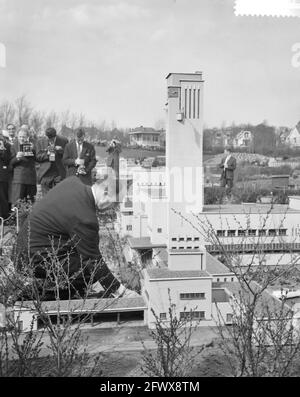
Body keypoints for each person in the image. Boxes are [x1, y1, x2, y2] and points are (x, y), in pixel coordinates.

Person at [15, 175, 134, 300]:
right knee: (88, 273)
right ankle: (38, 297)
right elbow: (93, 261)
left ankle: (58, 290)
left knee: (82, 264)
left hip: (26, 251)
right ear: (105, 192)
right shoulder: (85, 217)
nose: (114, 208)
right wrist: (120, 291)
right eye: (115, 203)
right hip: (33, 260)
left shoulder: (72, 182)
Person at [36, 127, 68, 196]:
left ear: (55, 135)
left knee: (58, 197)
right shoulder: (40, 141)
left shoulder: (64, 140)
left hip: (58, 172)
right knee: (46, 199)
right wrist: (47, 154)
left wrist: (61, 151)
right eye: (49, 139)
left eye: (52, 139)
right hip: (45, 174)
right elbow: (38, 157)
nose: (50, 140)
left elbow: (68, 155)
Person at [10, 129, 37, 204]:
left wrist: (33, 150)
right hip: (19, 179)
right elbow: (10, 163)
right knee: (17, 204)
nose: (22, 139)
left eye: (24, 137)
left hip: (31, 179)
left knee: (30, 204)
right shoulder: (13, 147)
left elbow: (38, 159)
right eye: (20, 137)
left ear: (28, 137)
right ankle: (16, 216)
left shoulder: (33, 146)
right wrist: (17, 157)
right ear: (17, 137)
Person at [0, 133, 11, 219]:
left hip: (2, 175)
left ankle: (4, 217)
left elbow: (7, 161)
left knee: (3, 196)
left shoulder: (7, 145)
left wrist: (3, 150)